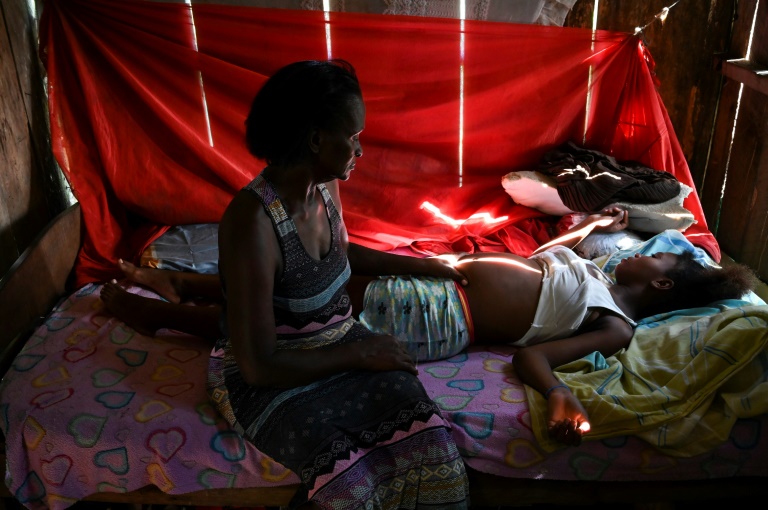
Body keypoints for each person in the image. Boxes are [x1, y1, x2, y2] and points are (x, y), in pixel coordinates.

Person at [101, 204, 759, 450]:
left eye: (660, 255)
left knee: (305, 311)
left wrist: (561, 395)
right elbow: (548, 254)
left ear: (662, 283)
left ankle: (161, 314)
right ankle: (186, 284)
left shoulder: (615, 324)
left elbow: (534, 360)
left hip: (443, 316)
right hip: (440, 285)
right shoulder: (601, 272)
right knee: (314, 283)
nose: (646, 250)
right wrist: (593, 226)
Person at [170, 59, 472, 510]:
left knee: (436, 452)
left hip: (341, 344)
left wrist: (430, 267)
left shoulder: (325, 188)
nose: (360, 149)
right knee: (349, 487)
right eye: (353, 137)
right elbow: (258, 367)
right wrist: (361, 354)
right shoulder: (252, 222)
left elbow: (341, 253)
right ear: (315, 140)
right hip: (275, 377)